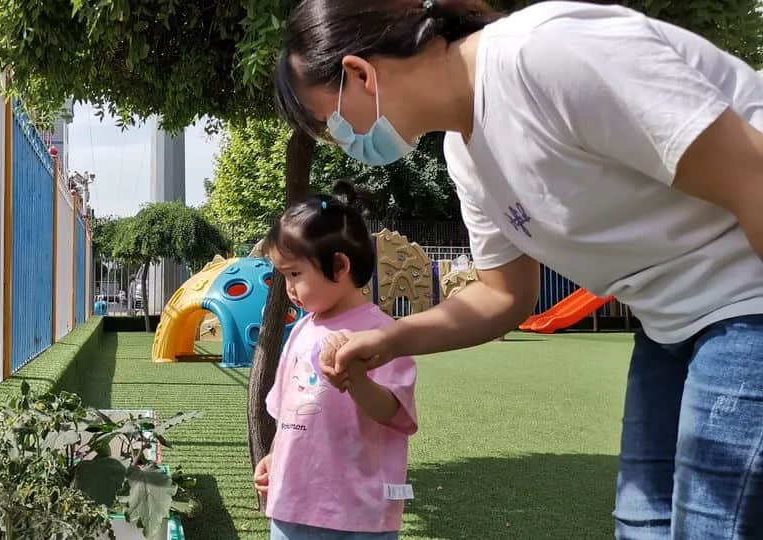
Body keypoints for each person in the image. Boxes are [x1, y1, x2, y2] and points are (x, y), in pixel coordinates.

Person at [274, 0, 763, 538]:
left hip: (746, 297)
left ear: (359, 74)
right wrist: (392, 340)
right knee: (643, 525)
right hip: (669, 322)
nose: (346, 144)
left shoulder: (543, 55)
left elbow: (752, 176)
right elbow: (502, 295)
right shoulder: (467, 156)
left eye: (332, 124)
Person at [253, 193, 418, 540]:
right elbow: (289, 414)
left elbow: (394, 412)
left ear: (340, 266)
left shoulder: (382, 334)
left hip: (358, 512)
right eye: (284, 275)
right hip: (294, 502)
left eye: (296, 273)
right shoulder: (300, 330)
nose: (290, 288)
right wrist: (274, 458)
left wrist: (355, 379)